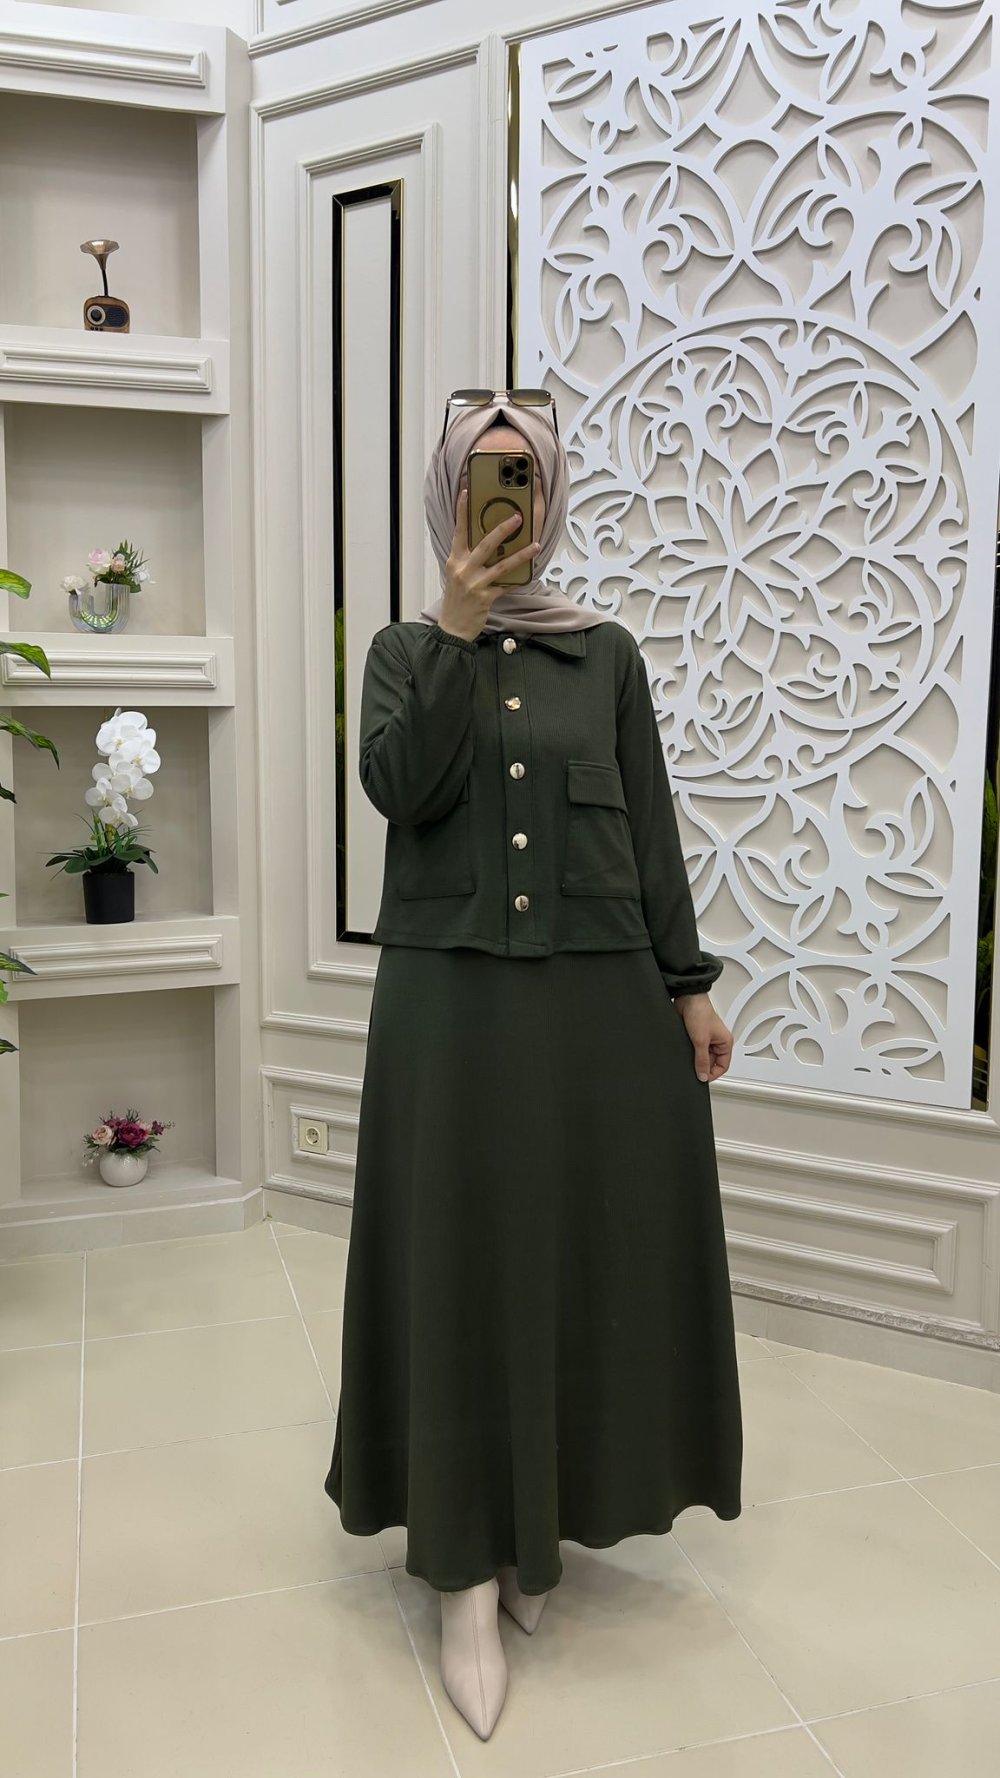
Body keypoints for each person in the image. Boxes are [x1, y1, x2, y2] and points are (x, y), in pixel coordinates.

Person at [325, 390, 743, 1741]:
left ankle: (537, 1530)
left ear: (550, 499)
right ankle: (459, 1565)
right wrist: (455, 627)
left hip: (596, 1001)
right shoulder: (403, 649)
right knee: (456, 1260)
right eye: (482, 477)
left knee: (573, 1254)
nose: (505, 500)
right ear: (448, 492)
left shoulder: (605, 656)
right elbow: (401, 789)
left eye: (525, 479)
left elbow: (652, 826)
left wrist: (688, 984)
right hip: (446, 999)